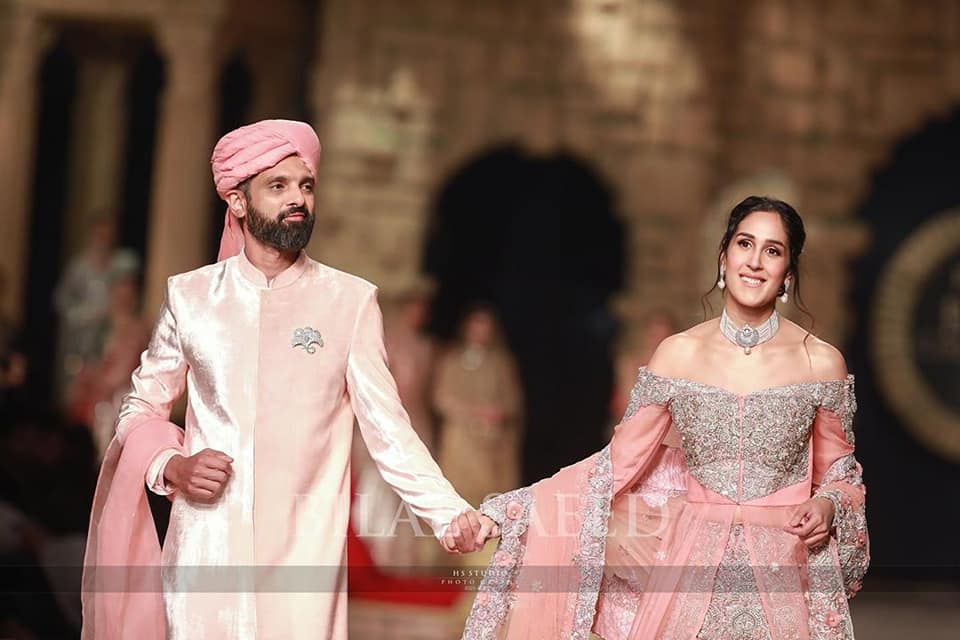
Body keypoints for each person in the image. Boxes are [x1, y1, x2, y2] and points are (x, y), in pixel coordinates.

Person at [81, 120, 493, 640]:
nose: (297, 198)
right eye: (278, 186)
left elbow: (389, 431)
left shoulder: (350, 302)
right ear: (237, 201)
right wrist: (172, 466)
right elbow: (140, 408)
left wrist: (449, 512)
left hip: (304, 557)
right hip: (207, 547)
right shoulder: (190, 298)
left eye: (306, 185)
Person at [454, 196, 869, 639]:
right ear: (723, 258)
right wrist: (506, 513)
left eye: (772, 250)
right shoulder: (677, 355)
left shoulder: (821, 363)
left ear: (787, 273)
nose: (755, 262)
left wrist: (828, 504)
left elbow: (841, 474)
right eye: (745, 244)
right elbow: (613, 466)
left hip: (785, 571)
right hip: (689, 569)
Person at [435, 304, 523, 508]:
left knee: (490, 496)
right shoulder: (452, 360)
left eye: (485, 326)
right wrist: (472, 411)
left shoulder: (501, 363)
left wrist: (496, 411)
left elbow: (513, 401)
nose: (480, 332)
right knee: (459, 495)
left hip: (491, 443)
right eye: (476, 325)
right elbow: (441, 398)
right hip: (460, 442)